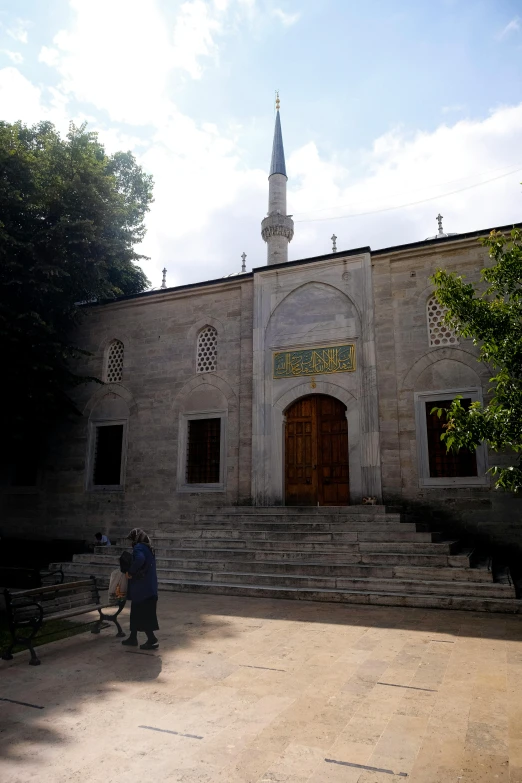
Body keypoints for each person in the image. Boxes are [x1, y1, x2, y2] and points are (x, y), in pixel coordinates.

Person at [121, 528, 159, 650]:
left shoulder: (139, 548)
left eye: (131, 540)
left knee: (143, 614)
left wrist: (131, 571)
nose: (131, 542)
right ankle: (133, 637)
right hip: (149, 588)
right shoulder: (149, 548)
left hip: (142, 589)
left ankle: (152, 639)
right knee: (136, 613)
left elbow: (140, 559)